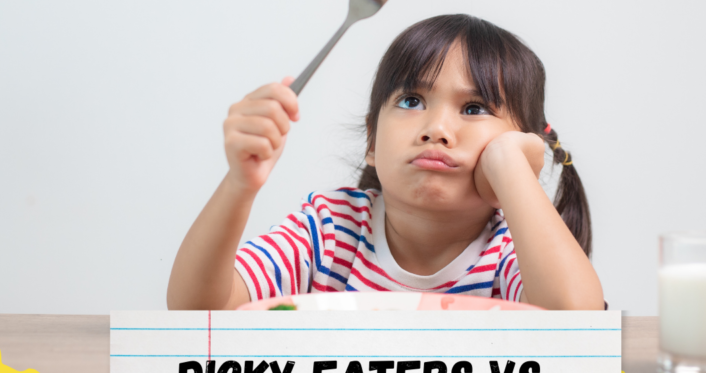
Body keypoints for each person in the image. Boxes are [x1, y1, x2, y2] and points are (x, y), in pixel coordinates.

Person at [167, 14, 604, 310]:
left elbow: (577, 327)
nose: (436, 128)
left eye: (474, 108)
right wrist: (238, 185)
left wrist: (512, 167)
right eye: (412, 100)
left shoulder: (512, 252)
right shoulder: (329, 231)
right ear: (372, 140)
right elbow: (200, 312)